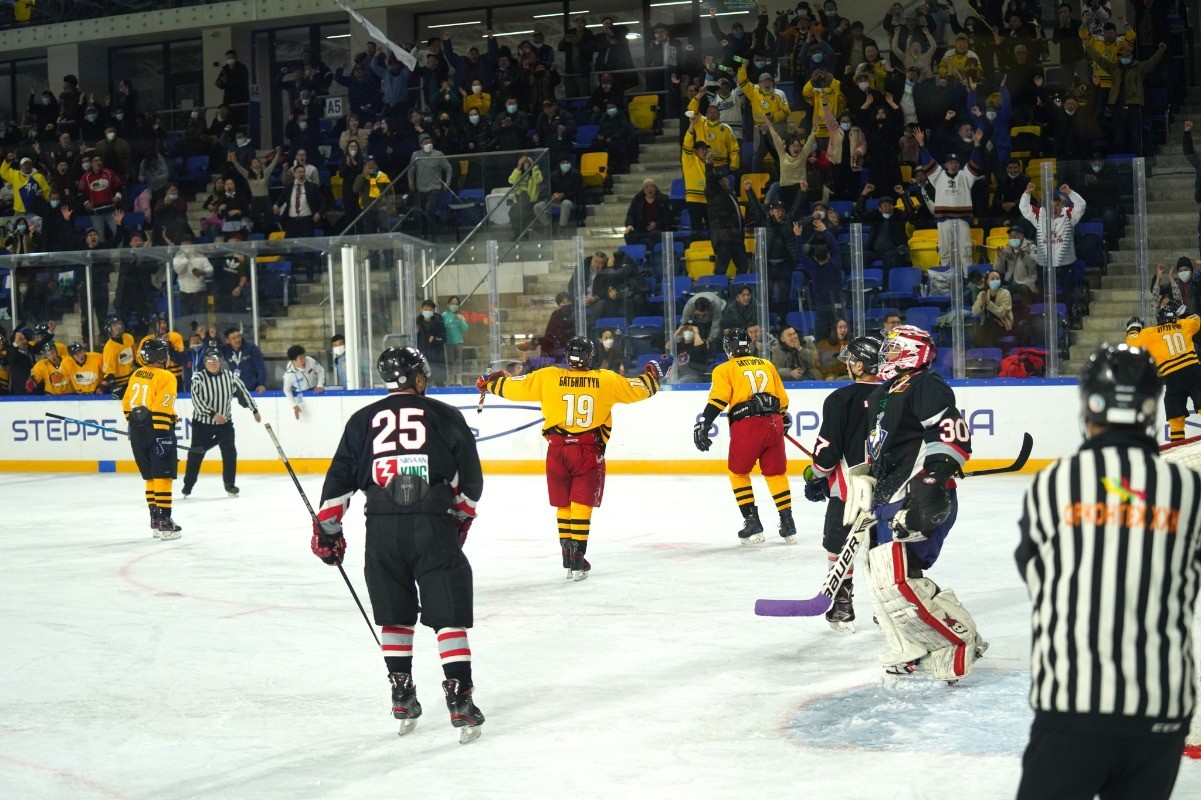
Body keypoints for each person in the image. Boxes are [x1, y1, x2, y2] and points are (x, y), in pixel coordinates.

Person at [1015, 342, 1201, 800]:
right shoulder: (1187, 487)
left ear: (1088, 405)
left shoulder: (1052, 483)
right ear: (1151, 408)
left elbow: (1036, 574)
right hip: (1162, 707)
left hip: (1073, 703)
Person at [312, 346, 486, 742]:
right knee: (448, 615)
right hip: (431, 522)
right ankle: (460, 700)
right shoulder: (444, 415)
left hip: (382, 527)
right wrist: (460, 518)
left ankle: (402, 694)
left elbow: (340, 478)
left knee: (394, 614)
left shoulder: (361, 420)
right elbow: (470, 481)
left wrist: (328, 529)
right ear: (418, 377)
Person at [848, 324, 983, 681]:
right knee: (881, 577)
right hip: (887, 496)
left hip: (915, 494)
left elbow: (951, 436)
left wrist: (932, 480)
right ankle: (909, 647)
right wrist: (865, 478)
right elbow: (882, 449)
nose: (885, 356)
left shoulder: (925, 384)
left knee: (897, 578)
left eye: (893, 350)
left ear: (911, 353)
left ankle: (960, 640)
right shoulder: (883, 392)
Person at [479, 337, 671, 579]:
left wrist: (491, 383)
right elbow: (640, 389)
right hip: (587, 450)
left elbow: (512, 387)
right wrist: (654, 375)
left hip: (557, 450)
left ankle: (567, 559)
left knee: (563, 504)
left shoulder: (547, 376)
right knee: (581, 504)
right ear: (591, 357)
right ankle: (578, 559)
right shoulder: (606, 379)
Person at [804, 335, 882, 632]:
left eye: (851, 360)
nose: (847, 364)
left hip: (849, 493)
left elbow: (827, 455)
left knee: (838, 545)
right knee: (883, 550)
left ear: (860, 365)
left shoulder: (840, 399)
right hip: (891, 490)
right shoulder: (898, 395)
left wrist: (817, 477)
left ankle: (842, 606)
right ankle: (888, 607)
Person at [693, 327, 794, 544]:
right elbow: (783, 401)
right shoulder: (767, 364)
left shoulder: (723, 369)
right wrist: (780, 417)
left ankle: (752, 521)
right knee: (776, 474)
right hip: (774, 422)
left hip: (748, 425)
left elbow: (718, 401)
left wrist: (705, 423)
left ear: (728, 348)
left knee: (738, 472)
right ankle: (788, 523)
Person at [122, 338, 181, 539]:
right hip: (158, 429)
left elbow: (127, 403)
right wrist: (162, 433)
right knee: (162, 476)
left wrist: (137, 425)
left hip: (137, 431)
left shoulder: (136, 374)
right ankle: (165, 523)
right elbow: (162, 406)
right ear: (161, 356)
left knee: (149, 477)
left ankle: (155, 521)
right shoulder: (166, 376)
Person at [183, 347, 259, 498]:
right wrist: (212, 414)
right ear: (204, 363)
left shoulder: (230, 377)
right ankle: (188, 485)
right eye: (209, 360)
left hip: (224, 423)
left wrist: (254, 409)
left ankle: (229, 484)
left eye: (215, 360)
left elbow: (243, 392)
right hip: (202, 423)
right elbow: (196, 400)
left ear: (221, 361)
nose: (212, 363)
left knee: (230, 452)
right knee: (196, 454)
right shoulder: (198, 378)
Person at [1125, 303, 1201, 442]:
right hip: (1194, 372)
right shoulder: (1184, 324)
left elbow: (1131, 342)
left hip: (1173, 379)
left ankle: (1178, 449)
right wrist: (1183, 311)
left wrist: (1133, 327)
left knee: (1175, 418)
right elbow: (1196, 320)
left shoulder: (1151, 333)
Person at [971, 269, 1014, 347]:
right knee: (976, 338)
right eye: (992, 279)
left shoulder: (1005, 293)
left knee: (989, 333)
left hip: (1003, 325)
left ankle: (990, 356)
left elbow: (1001, 313)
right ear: (987, 281)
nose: (995, 281)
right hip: (987, 324)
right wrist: (981, 304)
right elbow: (975, 313)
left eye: (997, 279)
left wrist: (988, 302)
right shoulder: (983, 294)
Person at [283, 344, 326, 421]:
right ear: (293, 360)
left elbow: (321, 371)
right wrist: (294, 405)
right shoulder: (289, 375)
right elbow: (287, 390)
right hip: (301, 395)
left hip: (315, 390)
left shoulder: (310, 360)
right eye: (300, 358)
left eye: (304, 356)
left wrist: (320, 385)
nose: (304, 360)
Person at [220, 328, 266, 393]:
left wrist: (262, 384)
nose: (237, 340)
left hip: (253, 389)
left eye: (239, 336)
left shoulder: (251, 347)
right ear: (228, 341)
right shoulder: (225, 349)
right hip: (235, 389)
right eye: (234, 338)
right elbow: (212, 346)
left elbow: (260, 367)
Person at [100, 315, 137, 397]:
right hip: (120, 383)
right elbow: (108, 373)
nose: (118, 327)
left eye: (118, 324)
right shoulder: (109, 348)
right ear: (109, 330)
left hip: (131, 378)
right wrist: (115, 386)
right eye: (114, 326)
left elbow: (136, 358)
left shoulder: (129, 337)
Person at [416, 299, 448, 386]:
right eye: (425, 309)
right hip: (422, 353)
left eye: (430, 310)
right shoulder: (417, 321)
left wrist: (434, 339)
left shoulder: (438, 321)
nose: (427, 311)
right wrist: (416, 333)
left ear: (433, 311)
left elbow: (444, 338)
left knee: (439, 380)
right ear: (421, 309)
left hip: (436, 353)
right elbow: (412, 338)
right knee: (424, 380)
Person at [441, 297, 468, 386]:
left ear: (459, 306)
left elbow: (465, 328)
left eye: (456, 304)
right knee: (449, 361)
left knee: (458, 361)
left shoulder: (460, 317)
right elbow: (441, 327)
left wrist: (460, 320)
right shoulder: (444, 315)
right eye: (452, 303)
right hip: (448, 342)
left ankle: (459, 380)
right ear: (448, 305)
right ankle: (450, 380)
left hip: (458, 342)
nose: (454, 305)